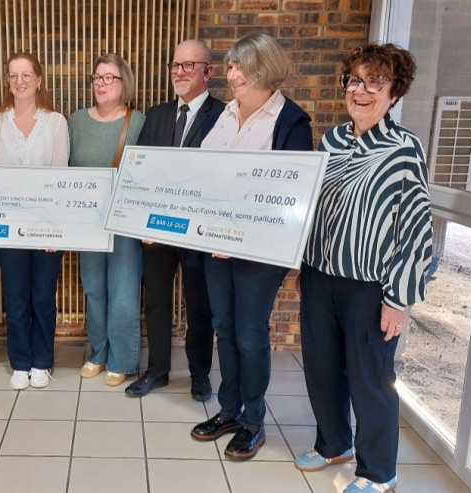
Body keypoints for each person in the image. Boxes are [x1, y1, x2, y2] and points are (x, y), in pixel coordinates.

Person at [295, 43, 432, 493]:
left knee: (371, 380)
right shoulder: (331, 141)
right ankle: (334, 444)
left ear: (395, 91)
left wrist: (398, 300)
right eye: (355, 80)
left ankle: (378, 472)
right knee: (321, 368)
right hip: (321, 276)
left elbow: (415, 229)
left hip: (370, 288)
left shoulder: (404, 149)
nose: (362, 90)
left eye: (375, 82)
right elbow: (313, 209)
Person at [188, 33, 313, 460]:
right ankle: (229, 410)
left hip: (258, 253)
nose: (232, 74)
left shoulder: (290, 121)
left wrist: (238, 233)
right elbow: (204, 173)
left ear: (264, 68)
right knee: (225, 328)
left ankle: (253, 422)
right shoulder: (225, 114)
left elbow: (289, 199)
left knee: (250, 334)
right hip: (215, 246)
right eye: (231, 66)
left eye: (240, 66)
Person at [125, 39, 224, 401]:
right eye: (175, 65)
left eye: (188, 65)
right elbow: (142, 170)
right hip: (158, 228)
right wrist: (143, 224)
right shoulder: (157, 115)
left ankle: (199, 374)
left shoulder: (224, 116)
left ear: (207, 71)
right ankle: (157, 370)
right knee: (155, 300)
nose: (179, 72)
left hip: (199, 231)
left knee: (200, 305)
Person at [0, 52, 69, 390]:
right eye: (13, 75)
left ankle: (42, 361)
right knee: (16, 298)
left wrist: (54, 230)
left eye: (26, 75)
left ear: (39, 80)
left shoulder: (55, 122)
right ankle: (20, 362)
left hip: (46, 226)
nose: (20, 82)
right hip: (8, 228)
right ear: (8, 81)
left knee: (43, 297)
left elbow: (60, 177)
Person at [68, 54, 145, 386]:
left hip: (124, 224)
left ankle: (122, 359)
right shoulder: (76, 121)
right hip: (88, 224)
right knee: (94, 290)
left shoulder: (138, 122)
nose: (101, 83)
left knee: (124, 292)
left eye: (108, 77)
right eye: (96, 77)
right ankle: (98, 352)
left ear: (124, 82)